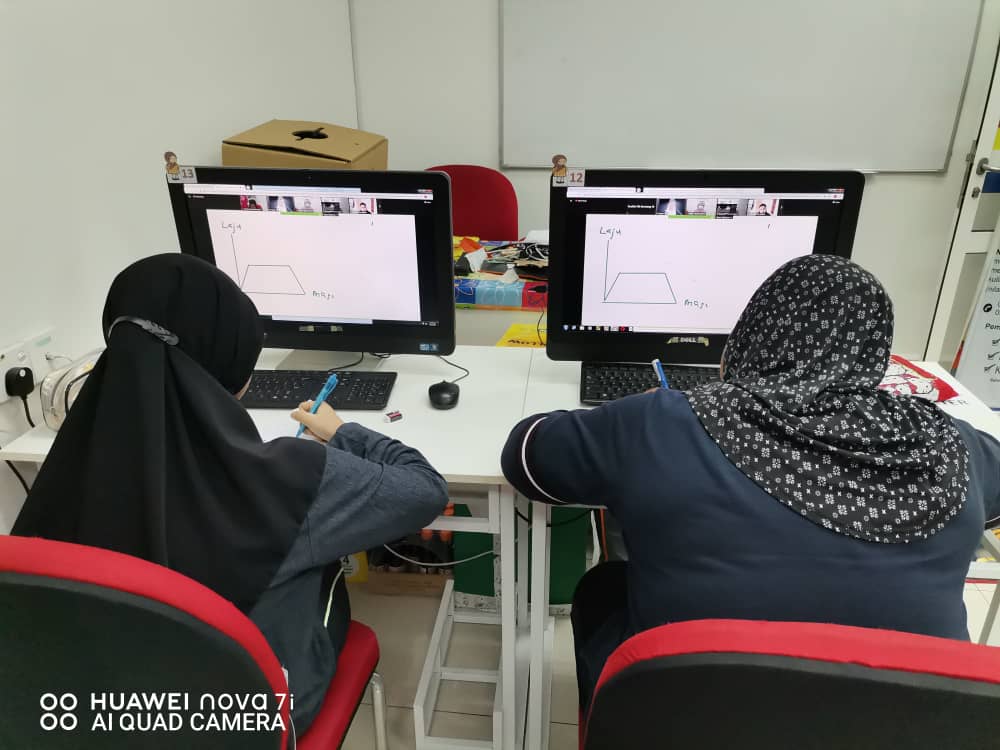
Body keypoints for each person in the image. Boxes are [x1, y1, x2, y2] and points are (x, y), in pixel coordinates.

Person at [501, 254, 1000, 711]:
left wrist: (631, 418)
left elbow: (526, 456)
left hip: (687, 720)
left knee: (604, 588)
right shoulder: (953, 444)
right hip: (905, 724)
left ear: (752, 331)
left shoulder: (665, 422)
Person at [12, 253, 449, 732]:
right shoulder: (286, 479)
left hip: (86, 716)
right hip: (236, 723)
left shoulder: (68, 467)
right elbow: (424, 488)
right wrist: (343, 432)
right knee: (314, 556)